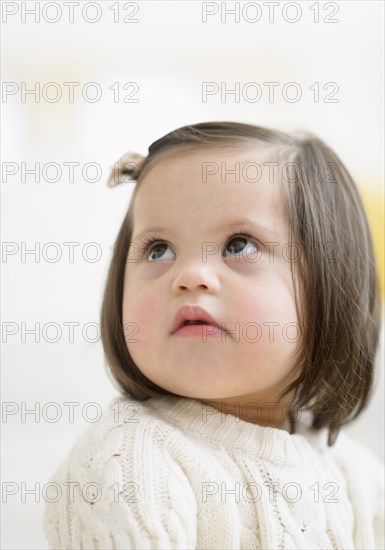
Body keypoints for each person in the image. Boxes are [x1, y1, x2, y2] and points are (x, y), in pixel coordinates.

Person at [44, 121, 384, 549]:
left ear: (331, 284)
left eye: (238, 245)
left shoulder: (359, 478)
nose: (189, 276)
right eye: (158, 249)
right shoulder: (128, 466)